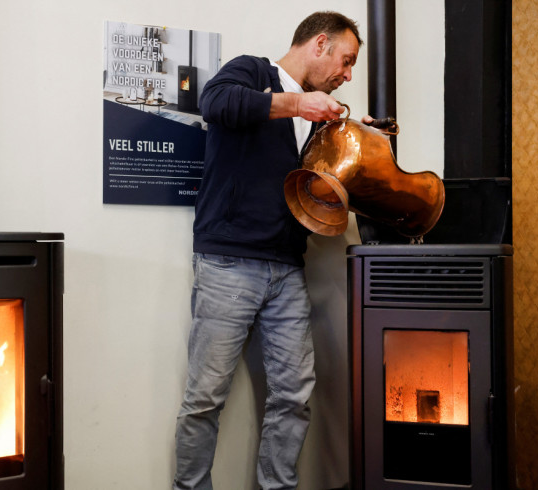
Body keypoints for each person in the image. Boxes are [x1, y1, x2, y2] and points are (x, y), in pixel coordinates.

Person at [173, 11, 363, 490]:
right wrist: (299, 103)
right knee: (204, 400)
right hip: (227, 265)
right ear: (319, 44)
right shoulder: (252, 71)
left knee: (294, 397)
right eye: (346, 59)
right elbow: (214, 101)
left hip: (287, 270)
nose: (348, 74)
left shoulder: (318, 120)